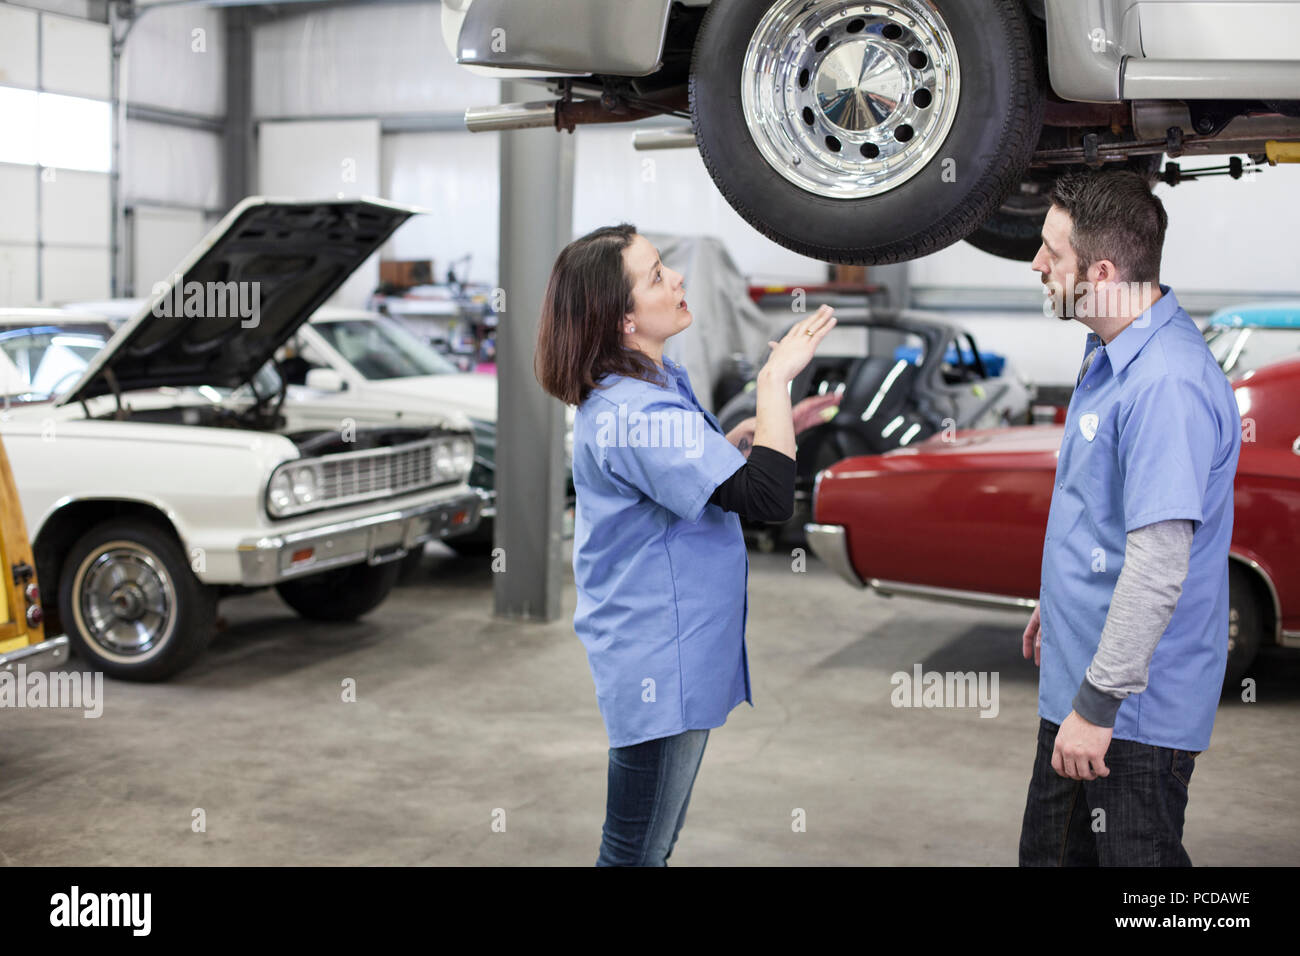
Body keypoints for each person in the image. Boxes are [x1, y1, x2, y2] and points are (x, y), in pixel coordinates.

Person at [535, 224, 837, 866]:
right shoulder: (638, 414)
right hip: (659, 664)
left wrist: (723, 451)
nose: (676, 280)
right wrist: (774, 380)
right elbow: (766, 500)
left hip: (668, 648)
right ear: (621, 320)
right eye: (656, 276)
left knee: (648, 846)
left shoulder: (647, 384)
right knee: (637, 853)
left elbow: (690, 485)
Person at [1019, 170, 1241, 866]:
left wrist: (1096, 707)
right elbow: (1103, 516)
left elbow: (1156, 565)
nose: (1037, 264)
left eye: (1053, 253)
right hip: (1084, 685)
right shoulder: (1110, 352)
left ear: (1104, 271)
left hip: (1127, 717)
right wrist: (1059, 604)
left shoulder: (1165, 384)